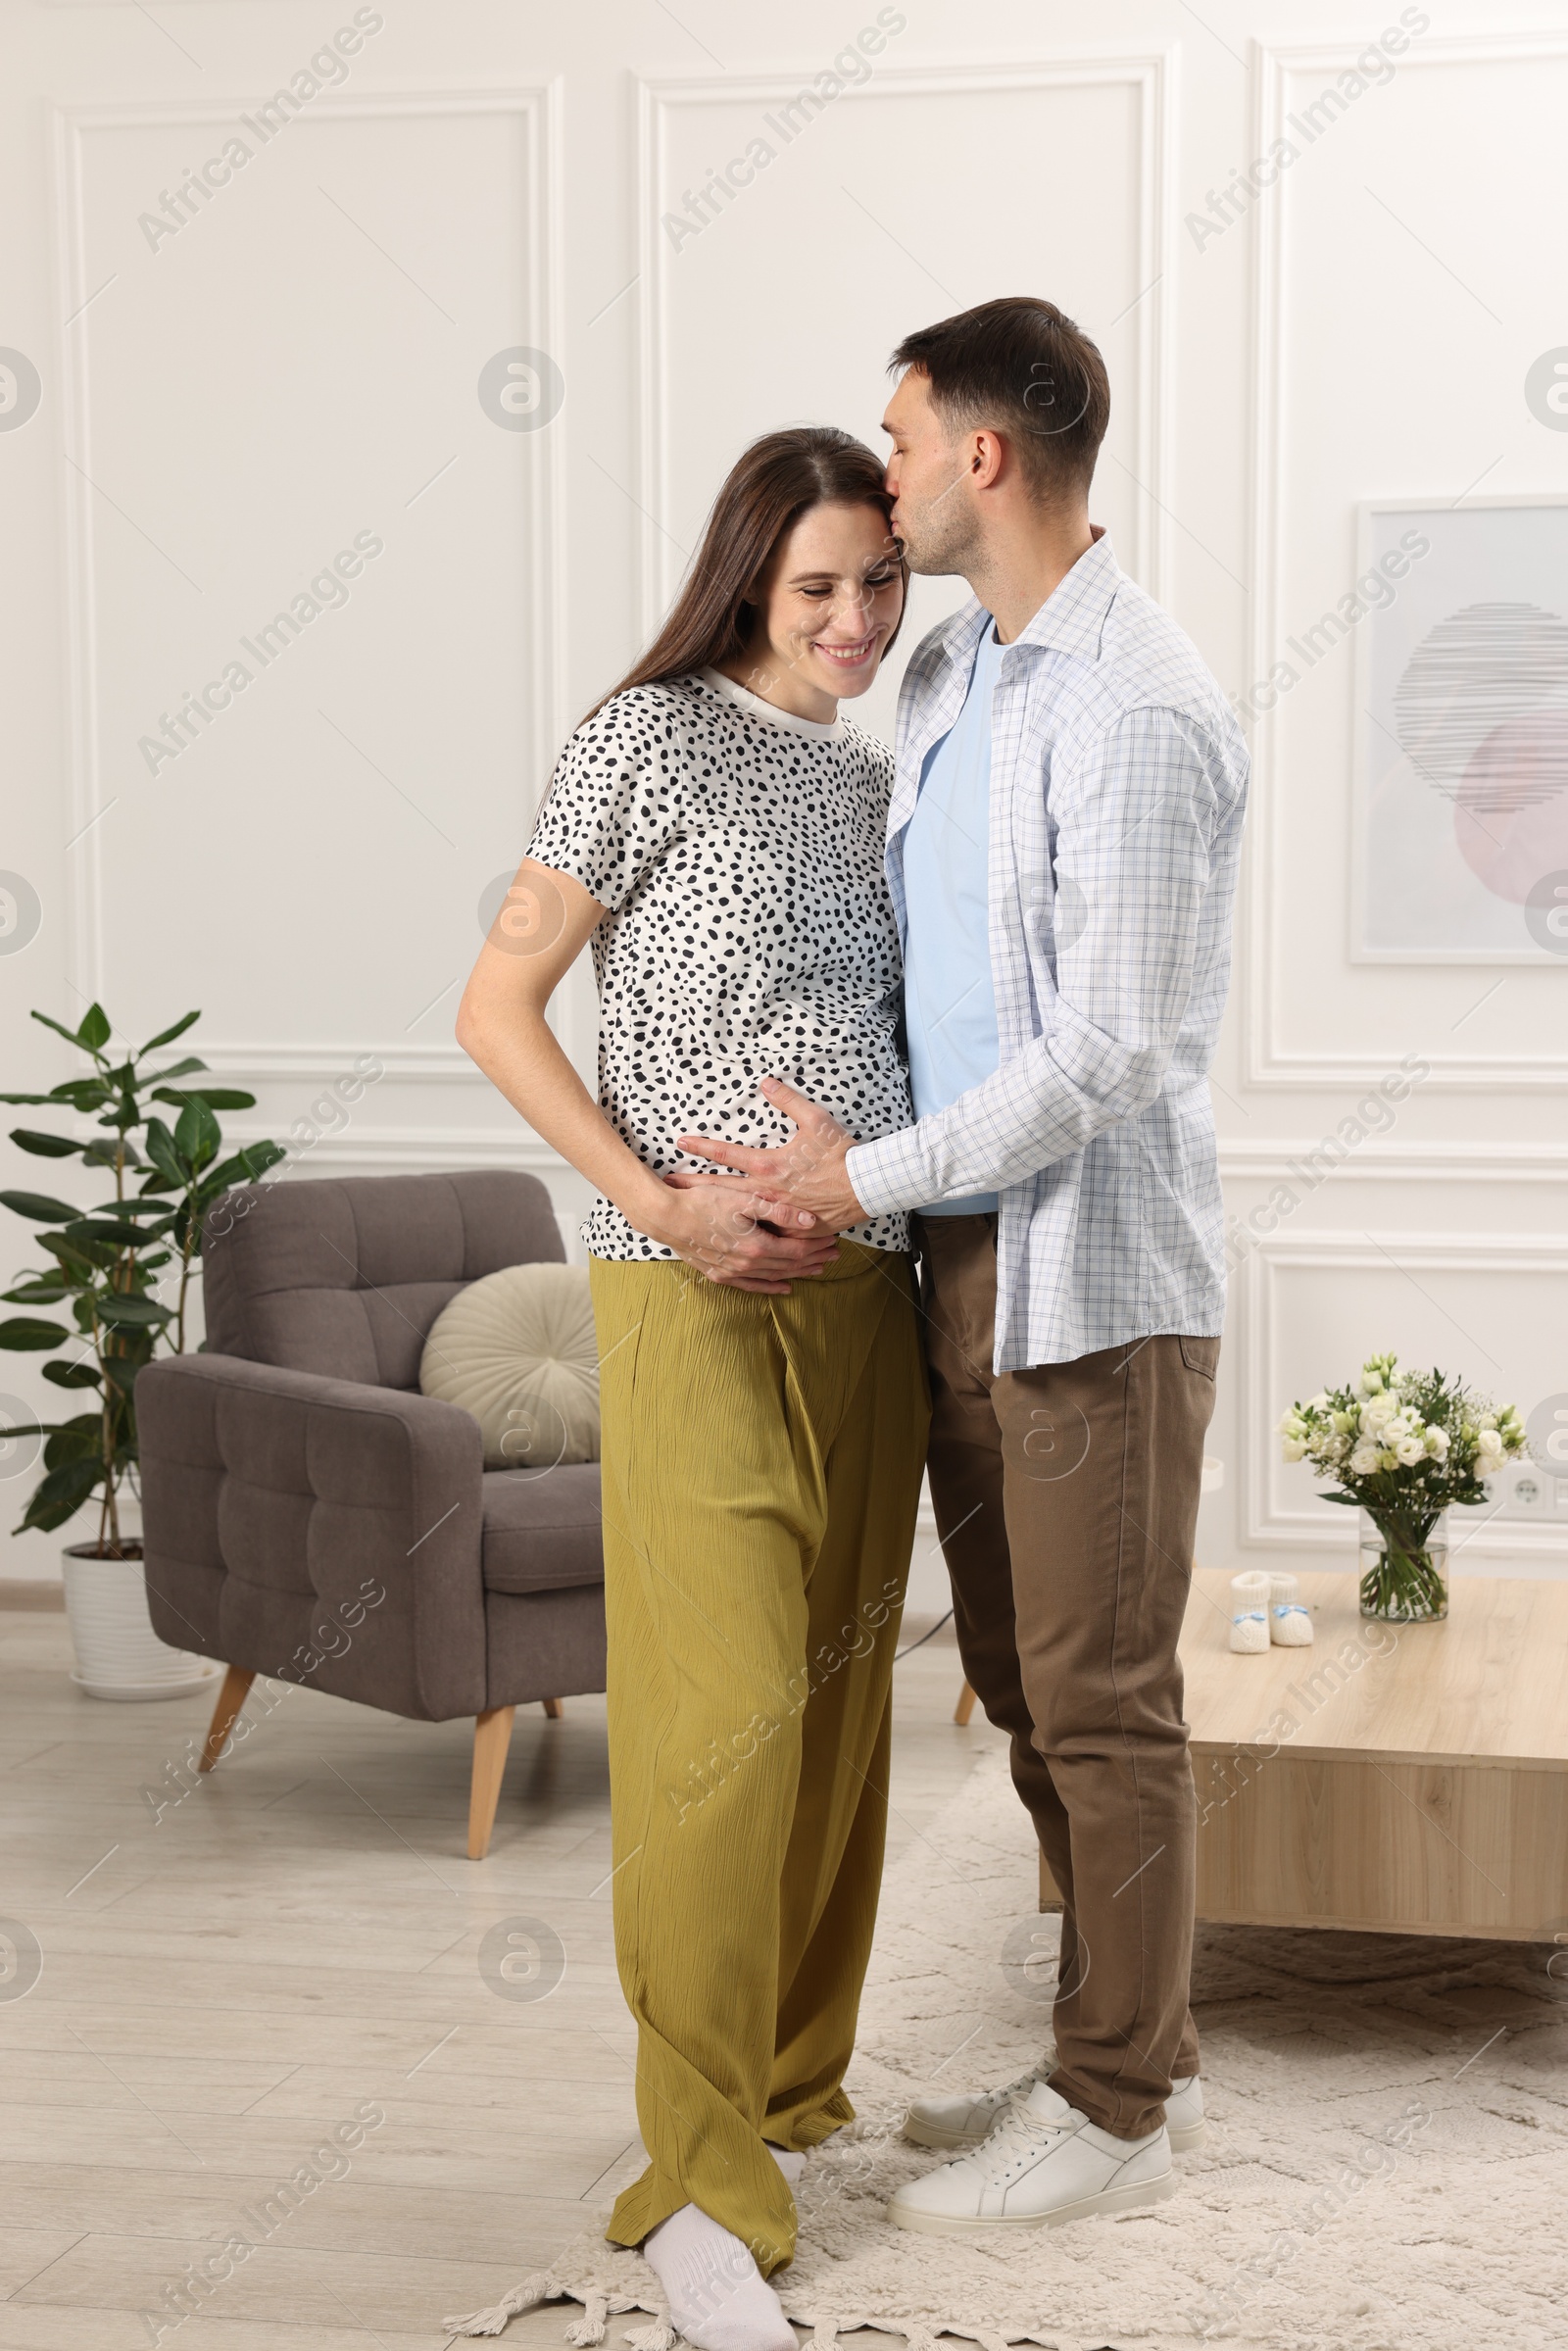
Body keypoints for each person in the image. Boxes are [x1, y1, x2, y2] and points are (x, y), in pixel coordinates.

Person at [677, 297, 1250, 2234]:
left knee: (1102, 1699)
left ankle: (1119, 2105)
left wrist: (858, 1179)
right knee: (1016, 1682)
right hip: (944, 1263)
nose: (886, 468)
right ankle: (1102, 2054)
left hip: (1083, 1277)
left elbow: (1112, 1055)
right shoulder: (943, 680)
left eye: (900, 437)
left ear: (980, 457)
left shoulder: (1137, 705)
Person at [456, 427, 929, 2350]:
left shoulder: (881, 773)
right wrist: (657, 1195)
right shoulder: (640, 737)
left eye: (879, 584)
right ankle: (692, 2184)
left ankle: (789, 2087)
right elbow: (495, 1003)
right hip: (682, 1284)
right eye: (814, 584)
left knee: (831, 1722)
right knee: (721, 1723)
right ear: (748, 575)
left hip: (868, 1292)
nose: (850, 619)